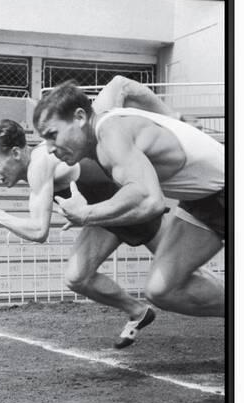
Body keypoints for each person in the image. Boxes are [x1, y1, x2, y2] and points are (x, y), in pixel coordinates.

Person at [32, 79, 224, 329]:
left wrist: (87, 213)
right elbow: (122, 85)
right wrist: (174, 116)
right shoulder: (98, 130)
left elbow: (150, 201)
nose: (48, 148)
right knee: (161, 290)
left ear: (80, 117)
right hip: (200, 200)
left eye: (52, 135)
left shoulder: (110, 132)